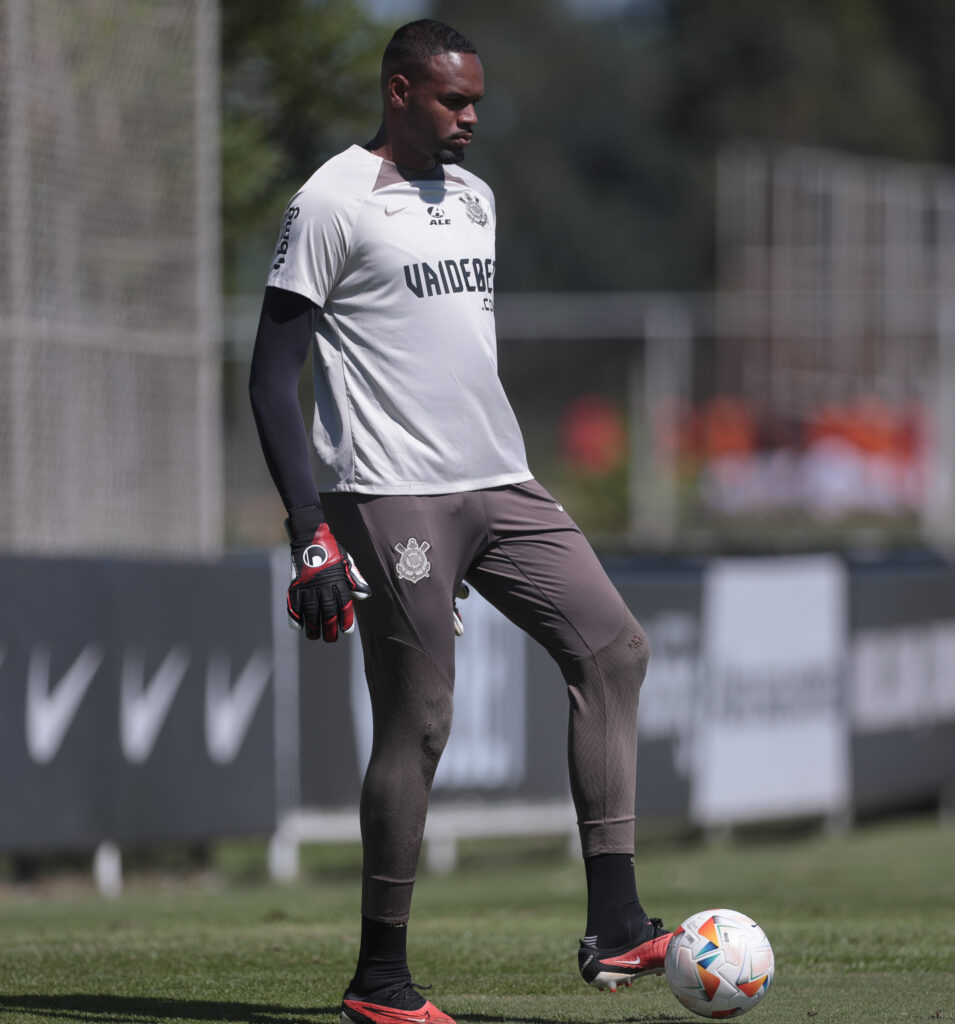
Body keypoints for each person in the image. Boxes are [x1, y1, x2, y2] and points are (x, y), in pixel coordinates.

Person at [248, 19, 670, 1024]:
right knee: (421, 718)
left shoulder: (476, 198)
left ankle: (616, 922)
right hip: (387, 490)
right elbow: (271, 375)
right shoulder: (331, 201)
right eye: (454, 100)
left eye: (476, 99)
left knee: (612, 648)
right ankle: (379, 981)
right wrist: (309, 527)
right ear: (399, 91)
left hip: (501, 481)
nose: (473, 116)